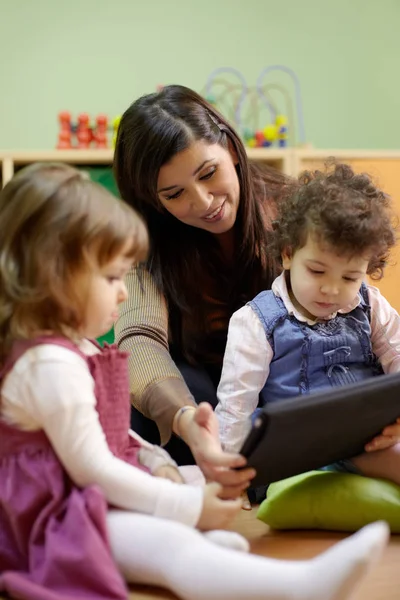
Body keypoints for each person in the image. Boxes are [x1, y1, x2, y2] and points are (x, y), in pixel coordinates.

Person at [0, 162, 390, 600]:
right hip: (53, 520)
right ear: (53, 278)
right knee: (171, 546)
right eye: (112, 277)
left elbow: (111, 436)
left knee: (186, 484)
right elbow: (92, 465)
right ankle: (297, 587)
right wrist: (186, 505)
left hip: (81, 497)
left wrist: (157, 462)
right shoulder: (50, 365)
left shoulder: (73, 350)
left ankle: (206, 551)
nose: (124, 291)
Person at [113, 84, 293, 485]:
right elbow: (138, 337)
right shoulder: (147, 241)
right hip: (202, 399)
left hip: (286, 383)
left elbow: (355, 310)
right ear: (154, 200)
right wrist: (184, 417)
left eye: (208, 173)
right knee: (141, 403)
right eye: (174, 194)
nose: (203, 202)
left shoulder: (292, 208)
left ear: (229, 146)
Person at [216, 162, 400, 485]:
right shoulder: (257, 321)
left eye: (349, 277)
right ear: (288, 254)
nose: (331, 289)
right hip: (301, 451)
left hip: (369, 435)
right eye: (317, 271)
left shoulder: (370, 304)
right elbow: (235, 408)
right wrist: (229, 476)